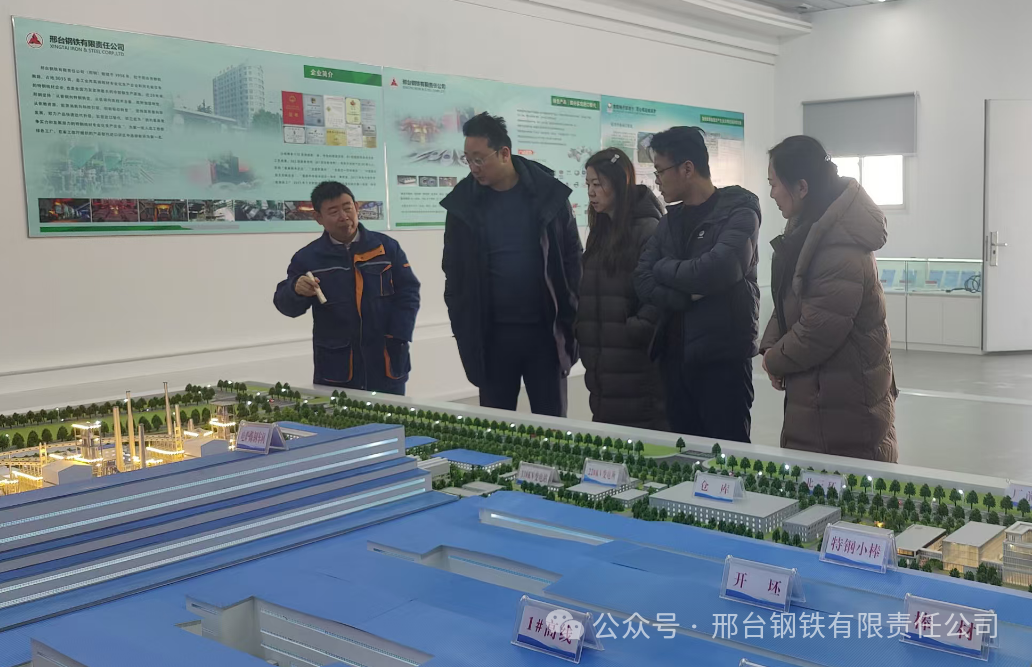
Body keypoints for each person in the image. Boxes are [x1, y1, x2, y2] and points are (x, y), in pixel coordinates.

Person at [761, 136, 897, 462]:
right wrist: (770, 346)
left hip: (844, 404)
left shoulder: (838, 246)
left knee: (842, 488)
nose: (772, 194)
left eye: (774, 184)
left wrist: (774, 359)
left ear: (802, 187)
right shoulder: (808, 228)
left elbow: (819, 330)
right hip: (821, 395)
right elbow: (789, 299)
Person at [440, 113, 582, 417]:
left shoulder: (549, 195)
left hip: (546, 335)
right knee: (497, 426)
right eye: (468, 159)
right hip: (491, 338)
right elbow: (453, 273)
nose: (473, 167)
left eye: (479, 159)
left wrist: (571, 320)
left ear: (504, 153)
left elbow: (573, 261)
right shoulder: (462, 205)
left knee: (552, 426)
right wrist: (461, 322)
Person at [634, 126, 761, 442]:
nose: (657, 180)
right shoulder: (669, 221)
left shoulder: (739, 213)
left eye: (660, 171)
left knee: (726, 458)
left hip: (722, 362)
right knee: (682, 456)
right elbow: (642, 278)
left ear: (687, 168)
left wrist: (664, 267)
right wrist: (684, 296)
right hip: (674, 361)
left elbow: (716, 270)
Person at [274, 181, 420, 395]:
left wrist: (398, 335)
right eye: (333, 212)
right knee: (341, 415)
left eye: (347, 208)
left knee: (392, 415)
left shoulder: (386, 248)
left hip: (386, 359)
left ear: (356, 207)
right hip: (337, 364)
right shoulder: (308, 258)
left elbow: (409, 293)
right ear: (318, 218)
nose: (343, 216)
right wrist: (295, 290)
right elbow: (287, 306)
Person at [576, 148, 666, 429]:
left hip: (634, 363)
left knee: (640, 438)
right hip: (602, 366)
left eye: (598, 184)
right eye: (588, 184)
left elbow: (660, 296)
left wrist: (635, 330)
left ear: (618, 182)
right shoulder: (601, 230)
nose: (591, 192)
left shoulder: (648, 229)